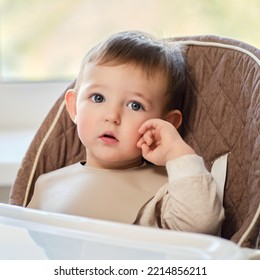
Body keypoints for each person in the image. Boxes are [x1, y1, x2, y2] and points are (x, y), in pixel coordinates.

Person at [27, 30, 224, 235]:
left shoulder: (168, 193)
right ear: (74, 107)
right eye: (98, 98)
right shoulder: (46, 186)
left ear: (166, 123)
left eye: (135, 105)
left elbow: (203, 225)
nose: (112, 116)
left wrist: (176, 150)